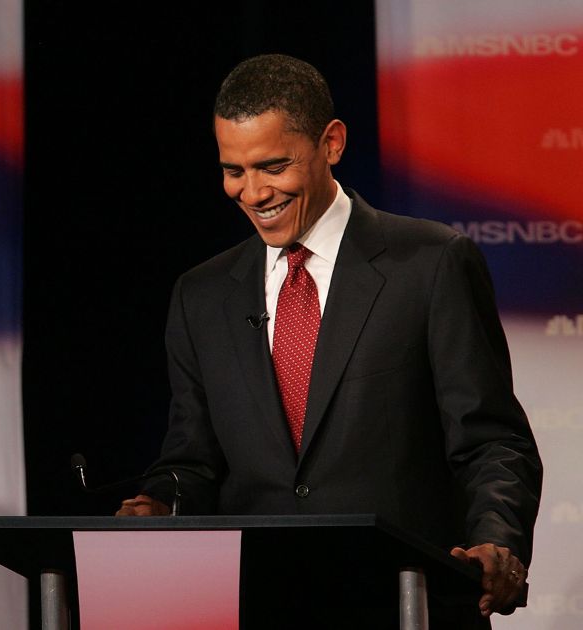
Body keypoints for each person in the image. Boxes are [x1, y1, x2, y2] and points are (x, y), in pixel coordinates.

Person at [116, 54, 541, 624]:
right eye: (233, 171)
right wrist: (161, 504)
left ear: (332, 143)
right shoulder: (202, 294)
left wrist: (497, 541)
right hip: (258, 605)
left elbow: (492, 442)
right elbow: (193, 461)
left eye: (272, 166)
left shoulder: (431, 262)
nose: (252, 192)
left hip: (407, 604)